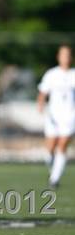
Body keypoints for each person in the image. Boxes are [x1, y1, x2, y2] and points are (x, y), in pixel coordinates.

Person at [37, 45, 75, 189]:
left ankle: (54, 179)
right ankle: (53, 168)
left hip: (70, 116)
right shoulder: (52, 74)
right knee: (50, 148)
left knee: (63, 145)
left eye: (68, 55)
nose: (65, 57)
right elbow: (43, 92)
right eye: (63, 54)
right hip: (53, 116)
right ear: (58, 57)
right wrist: (40, 104)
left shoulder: (73, 74)